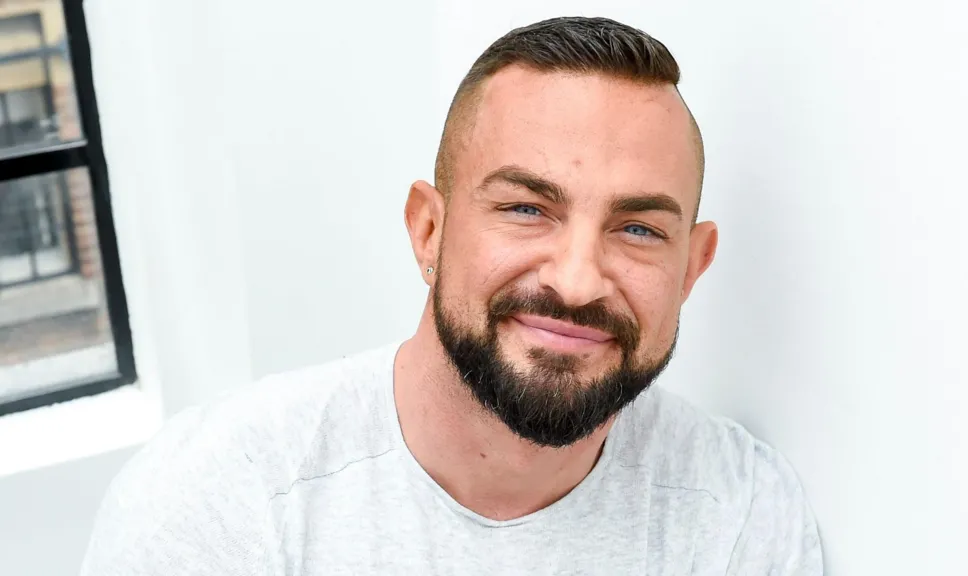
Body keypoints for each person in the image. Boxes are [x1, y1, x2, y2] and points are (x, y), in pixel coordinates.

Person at [81, 16, 822, 575]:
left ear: (692, 268)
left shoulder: (740, 515)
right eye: (527, 209)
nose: (575, 279)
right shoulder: (217, 503)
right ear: (429, 231)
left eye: (636, 229)